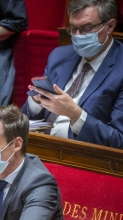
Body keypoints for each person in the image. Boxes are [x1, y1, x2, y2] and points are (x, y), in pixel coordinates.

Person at [21, 0, 123, 149]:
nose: (77, 36)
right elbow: (26, 117)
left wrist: (75, 114)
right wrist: (36, 103)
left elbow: (119, 140)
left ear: (109, 26)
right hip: (37, 146)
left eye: (86, 28)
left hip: (79, 156)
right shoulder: (59, 56)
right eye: (73, 28)